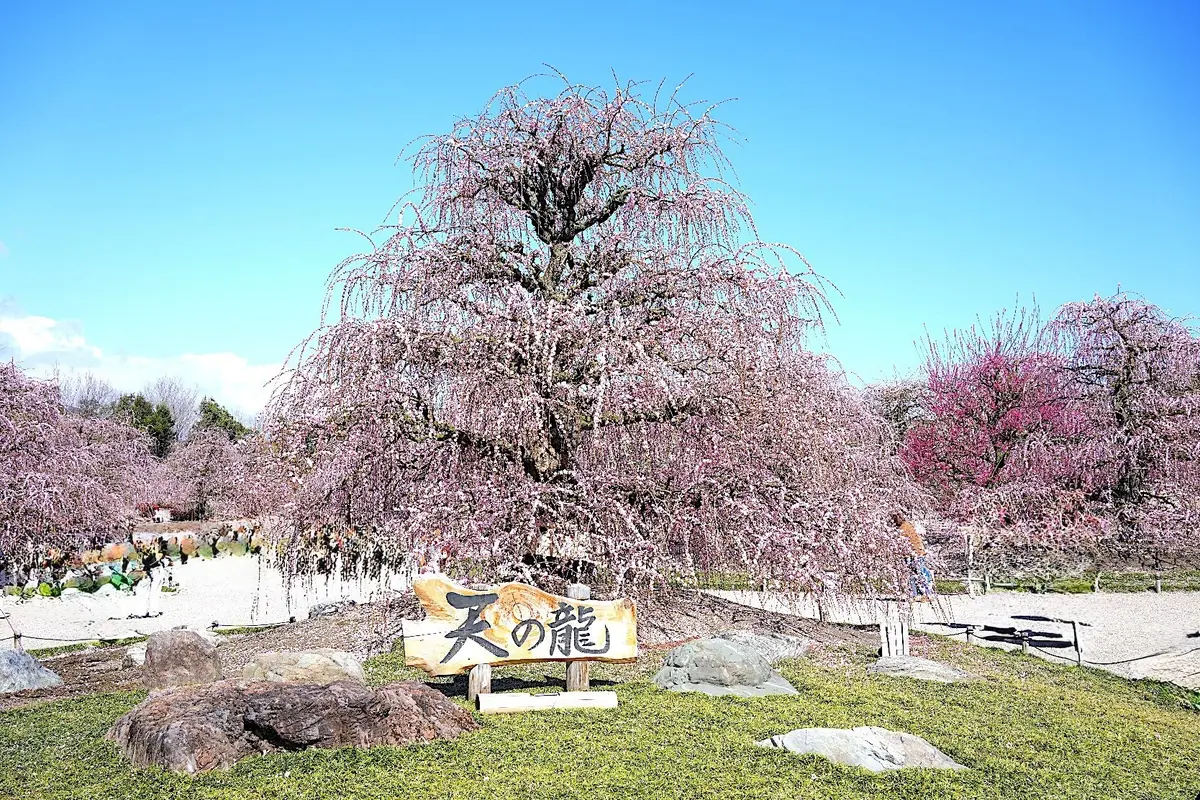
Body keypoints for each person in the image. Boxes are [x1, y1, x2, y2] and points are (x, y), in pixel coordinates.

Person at [891, 511, 934, 602]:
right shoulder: (907, 526)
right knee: (914, 574)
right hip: (915, 553)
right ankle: (918, 594)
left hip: (915, 553)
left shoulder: (903, 528)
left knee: (918, 573)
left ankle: (925, 594)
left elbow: (901, 543)